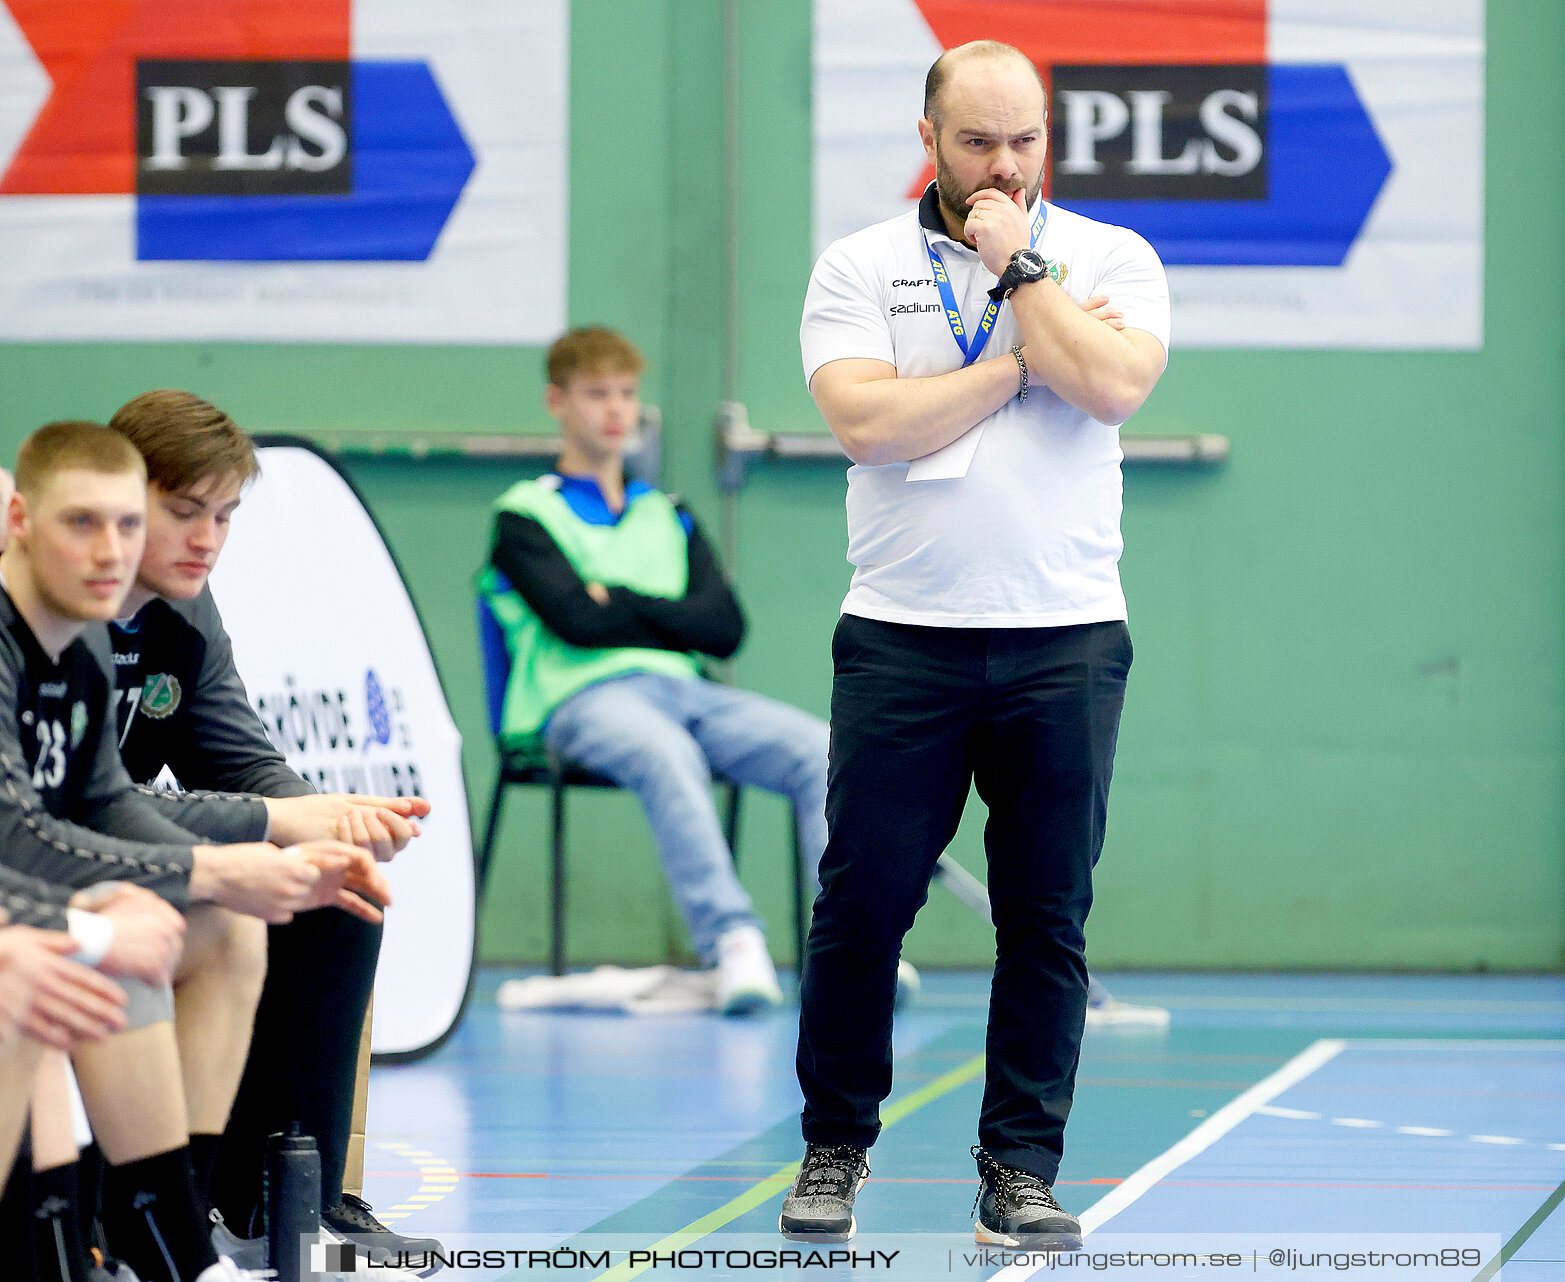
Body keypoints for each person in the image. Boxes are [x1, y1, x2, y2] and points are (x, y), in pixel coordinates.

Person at [781, 40, 1169, 1248]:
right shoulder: (860, 265)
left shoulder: (1110, 257)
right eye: (977, 142)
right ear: (929, 140)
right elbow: (866, 422)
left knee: (1046, 915)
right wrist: (1019, 361)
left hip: (1067, 639)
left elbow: (1112, 387)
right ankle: (836, 1144)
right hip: (906, 638)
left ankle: (1020, 1169)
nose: (1003, 164)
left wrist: (1027, 270)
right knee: (864, 902)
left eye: (1025, 140)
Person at [0, 419, 388, 1282]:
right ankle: (74, 1238)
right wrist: (222, 859)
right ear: (21, 521)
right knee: (50, 964)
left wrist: (303, 831)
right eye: (85, 524)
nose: (111, 551)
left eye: (125, 528)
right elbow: (23, 832)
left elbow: (100, 799)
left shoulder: (85, 642)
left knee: (225, 928)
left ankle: (183, 1225)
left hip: (33, 892)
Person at [107, 389, 441, 1269]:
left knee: (334, 892)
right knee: (243, 905)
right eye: (183, 512)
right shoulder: (50, 612)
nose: (207, 538)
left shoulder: (185, 607)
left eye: (224, 515)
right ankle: (165, 1209)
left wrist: (332, 825)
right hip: (65, 865)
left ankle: (287, 1200)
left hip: (132, 856)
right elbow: (84, 803)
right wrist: (279, 817)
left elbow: (238, 758)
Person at [482, 326, 837, 1014]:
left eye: (626, 394)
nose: (615, 411)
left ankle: (848, 948)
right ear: (557, 402)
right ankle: (733, 942)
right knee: (665, 752)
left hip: (686, 690)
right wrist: (668, 612)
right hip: (579, 700)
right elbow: (576, 624)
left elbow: (725, 630)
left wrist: (617, 599)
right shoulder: (523, 515)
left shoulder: (668, 514)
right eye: (595, 394)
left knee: (821, 749)